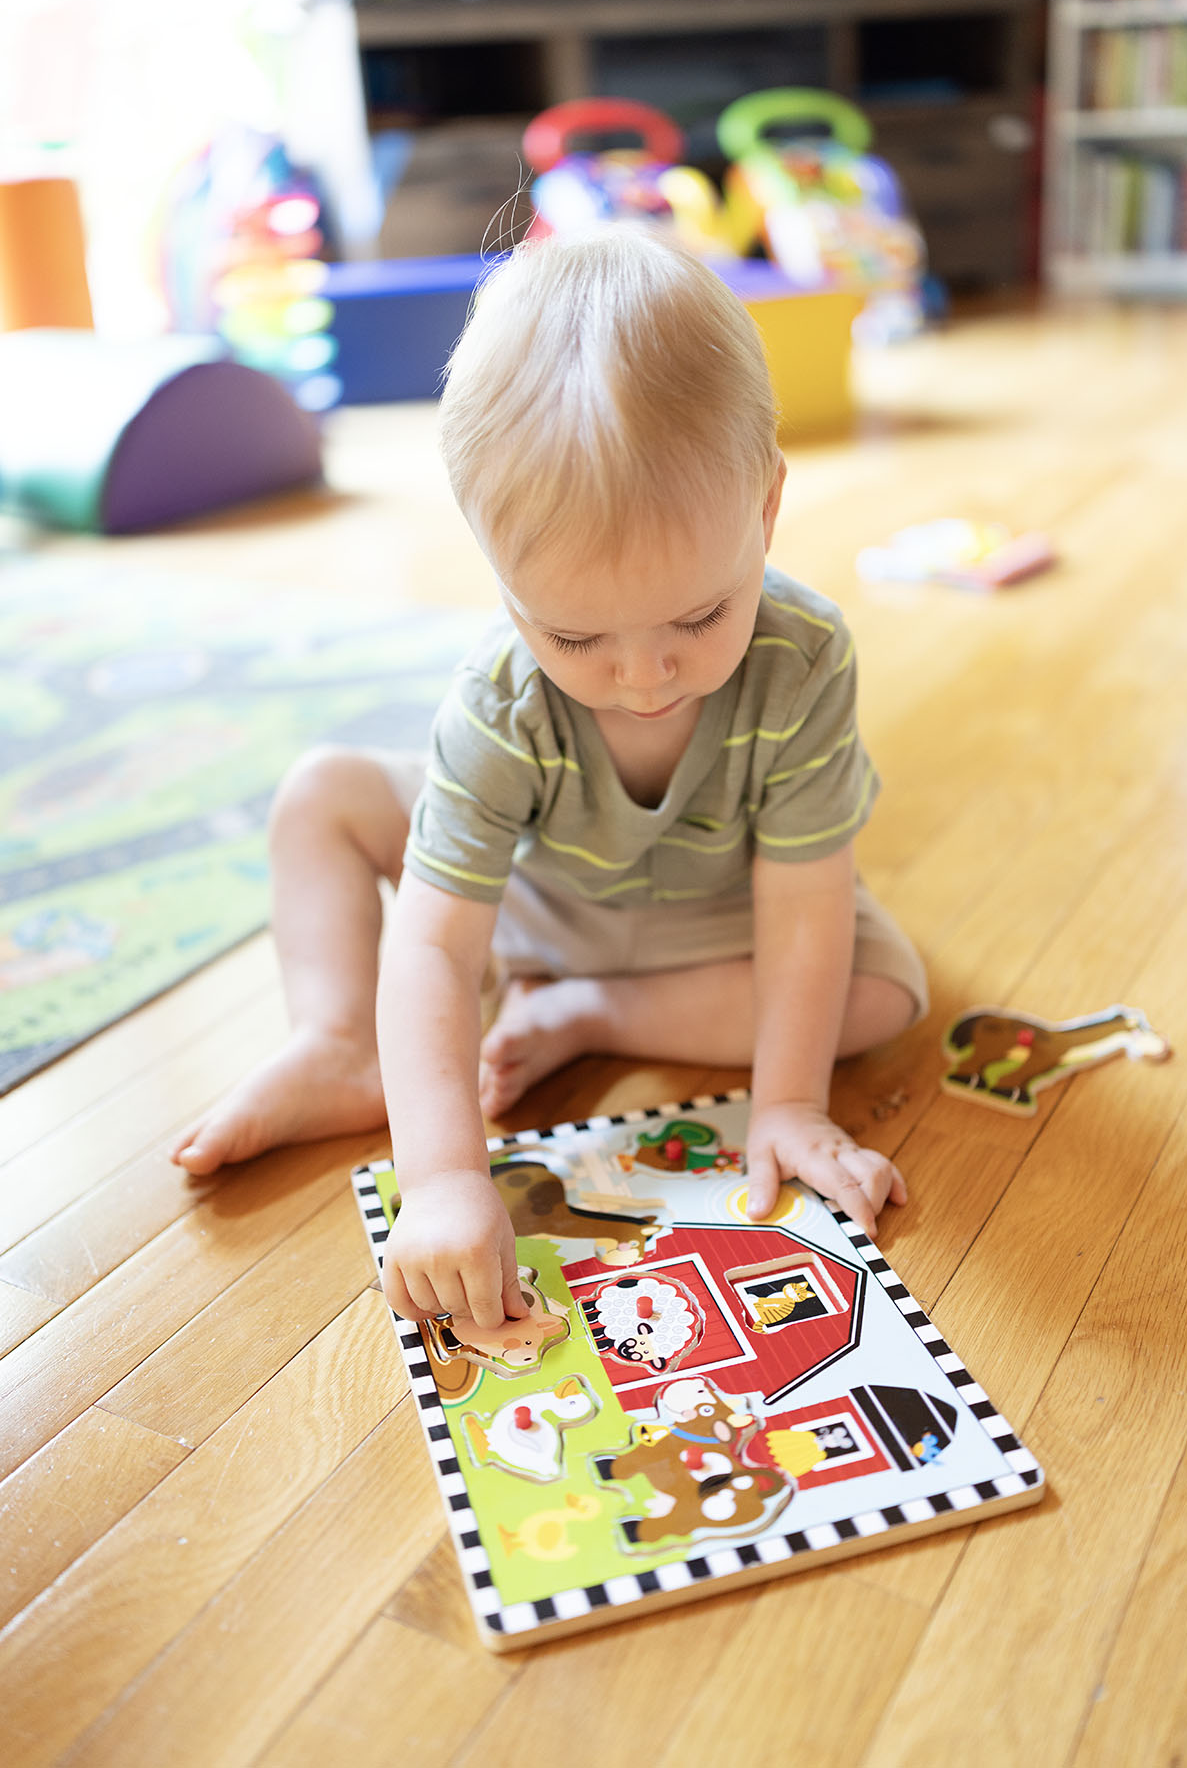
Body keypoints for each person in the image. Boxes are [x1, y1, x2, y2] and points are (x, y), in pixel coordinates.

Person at [171, 228, 927, 1331]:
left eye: (701, 614)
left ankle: (591, 1011)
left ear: (765, 512)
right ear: (502, 579)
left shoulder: (805, 657)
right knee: (322, 794)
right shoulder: (501, 700)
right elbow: (432, 941)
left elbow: (805, 898)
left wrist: (791, 1102)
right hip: (528, 900)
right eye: (576, 635)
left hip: (716, 924)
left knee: (883, 991)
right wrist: (440, 1180)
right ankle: (337, 1041)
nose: (642, 676)